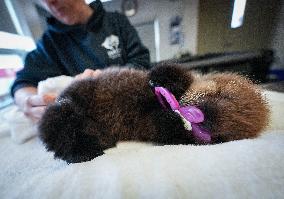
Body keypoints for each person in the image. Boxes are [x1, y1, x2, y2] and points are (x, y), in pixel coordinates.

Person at [11, 0, 150, 122]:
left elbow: (141, 62)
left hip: (130, 112)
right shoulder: (48, 45)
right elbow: (23, 82)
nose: (49, 2)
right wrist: (27, 101)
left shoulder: (117, 22)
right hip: (82, 124)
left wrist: (109, 82)